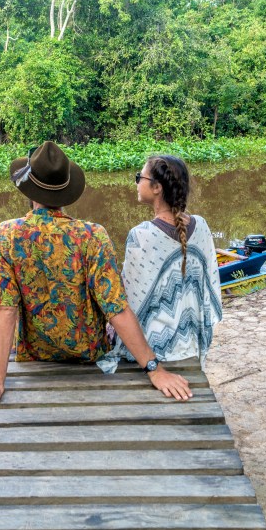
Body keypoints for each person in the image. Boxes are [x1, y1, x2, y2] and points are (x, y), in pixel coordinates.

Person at [0, 141, 193, 410]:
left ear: (28, 189)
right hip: (90, 354)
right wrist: (154, 369)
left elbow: (4, 309)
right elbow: (116, 308)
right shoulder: (92, 235)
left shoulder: (4, 235)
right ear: (67, 190)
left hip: (37, 356)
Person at [97, 154, 222, 374]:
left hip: (154, 349)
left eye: (139, 177)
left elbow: (130, 303)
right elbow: (210, 288)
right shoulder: (201, 226)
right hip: (192, 343)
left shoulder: (142, 235)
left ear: (156, 188)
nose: (136, 183)